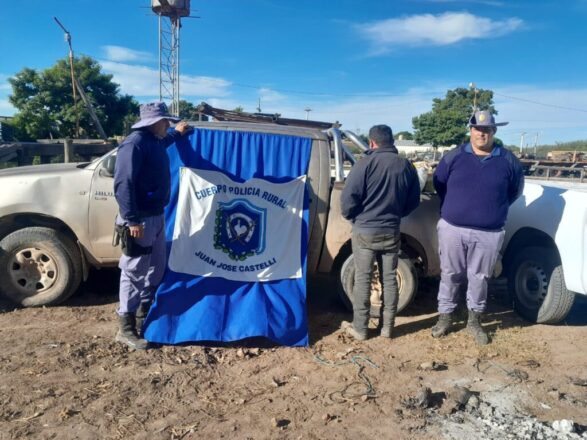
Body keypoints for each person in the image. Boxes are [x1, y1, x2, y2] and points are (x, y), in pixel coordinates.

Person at [431, 110, 524, 345]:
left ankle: (474, 320)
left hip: (488, 233)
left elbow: (514, 192)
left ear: (494, 131)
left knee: (480, 278)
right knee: (450, 274)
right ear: (470, 130)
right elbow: (439, 184)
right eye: (477, 129)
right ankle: (445, 316)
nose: (482, 134)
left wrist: (491, 210)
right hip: (453, 228)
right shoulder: (454, 156)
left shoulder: (508, 160)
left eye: (487, 129)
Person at [113, 102, 192, 350]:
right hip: (139, 220)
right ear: (153, 122)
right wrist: (132, 220)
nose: (167, 124)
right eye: (165, 121)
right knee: (134, 271)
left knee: (156, 267)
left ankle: (143, 315)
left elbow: (165, 141)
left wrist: (177, 133)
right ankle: (126, 328)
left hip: (156, 216)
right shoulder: (134, 144)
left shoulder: (154, 140)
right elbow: (123, 184)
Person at [340, 124, 421, 340]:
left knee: (363, 279)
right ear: (391, 141)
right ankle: (387, 328)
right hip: (391, 229)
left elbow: (348, 198)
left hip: (365, 230)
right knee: (389, 279)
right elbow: (414, 200)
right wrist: (397, 215)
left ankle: (360, 329)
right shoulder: (406, 166)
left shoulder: (364, 164)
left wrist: (353, 216)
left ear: (372, 142)